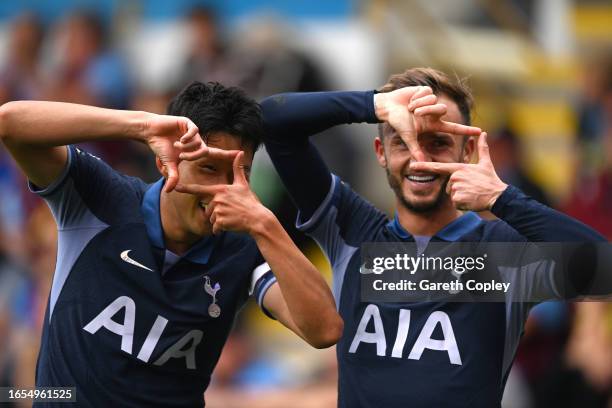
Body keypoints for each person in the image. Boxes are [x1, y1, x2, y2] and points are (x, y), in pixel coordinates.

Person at [246, 68, 605, 407]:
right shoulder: (352, 230)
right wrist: (373, 104)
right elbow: (273, 120)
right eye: (403, 141)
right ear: (380, 153)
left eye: (438, 142)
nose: (420, 159)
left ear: (467, 152)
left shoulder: (501, 253)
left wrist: (502, 197)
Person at [0, 81, 343, 407]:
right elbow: (11, 122)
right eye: (210, 168)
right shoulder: (101, 197)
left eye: (241, 173)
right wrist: (141, 125)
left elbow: (325, 329)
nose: (225, 190)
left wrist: (265, 224)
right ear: (166, 162)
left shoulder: (244, 249)